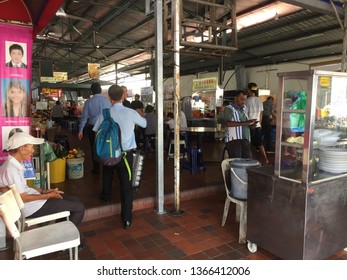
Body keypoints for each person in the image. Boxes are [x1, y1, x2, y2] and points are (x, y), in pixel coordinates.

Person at [0, 131, 85, 230]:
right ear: (22, 149)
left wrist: (43, 191)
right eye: (31, 147)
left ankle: (62, 233)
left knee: (74, 200)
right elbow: (23, 198)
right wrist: (48, 196)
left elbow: (22, 188)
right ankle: (64, 236)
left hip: (32, 203)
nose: (33, 150)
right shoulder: (11, 169)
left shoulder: (13, 164)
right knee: (79, 208)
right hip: (30, 208)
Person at [93, 84, 147, 230]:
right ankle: (127, 219)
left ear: (109, 98)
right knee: (126, 186)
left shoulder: (104, 113)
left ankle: (106, 195)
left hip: (108, 153)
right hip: (125, 155)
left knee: (107, 174)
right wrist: (138, 113)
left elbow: (96, 129)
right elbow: (144, 123)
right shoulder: (130, 113)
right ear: (123, 96)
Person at [78, 82, 111, 174]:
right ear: (100, 90)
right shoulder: (107, 101)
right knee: (105, 146)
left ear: (91, 91)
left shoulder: (88, 102)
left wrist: (80, 130)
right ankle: (106, 166)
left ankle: (96, 169)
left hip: (93, 128)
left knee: (94, 148)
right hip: (105, 127)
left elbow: (84, 117)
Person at [223, 90, 257, 159]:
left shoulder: (244, 108)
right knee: (236, 161)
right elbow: (228, 123)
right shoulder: (229, 109)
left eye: (244, 99)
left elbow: (246, 123)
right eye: (241, 99)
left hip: (245, 139)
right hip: (234, 140)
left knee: (248, 160)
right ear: (235, 98)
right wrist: (246, 123)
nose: (243, 102)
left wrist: (251, 125)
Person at [245, 82, 269, 164]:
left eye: (247, 89)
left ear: (249, 90)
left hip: (249, 125)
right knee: (259, 143)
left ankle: (252, 159)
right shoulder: (259, 100)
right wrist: (260, 123)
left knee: (249, 142)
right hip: (258, 124)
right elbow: (261, 113)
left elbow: (246, 114)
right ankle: (265, 159)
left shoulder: (247, 101)